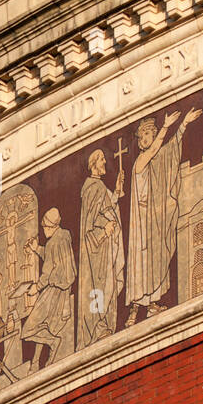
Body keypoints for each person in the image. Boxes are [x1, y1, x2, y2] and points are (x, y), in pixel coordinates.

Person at [126, 108, 201, 325]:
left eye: (152, 133)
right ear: (141, 140)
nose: (150, 138)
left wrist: (184, 124)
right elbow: (157, 149)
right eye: (147, 134)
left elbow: (169, 152)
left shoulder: (155, 160)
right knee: (143, 261)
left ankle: (151, 305)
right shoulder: (140, 161)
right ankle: (134, 310)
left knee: (156, 259)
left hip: (154, 220)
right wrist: (167, 126)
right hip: (142, 224)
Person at [78, 148, 125, 348]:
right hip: (96, 248)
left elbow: (106, 209)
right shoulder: (92, 187)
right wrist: (104, 230)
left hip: (105, 246)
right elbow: (90, 222)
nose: (105, 162)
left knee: (108, 283)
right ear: (94, 164)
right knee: (99, 285)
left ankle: (105, 324)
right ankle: (98, 326)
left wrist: (116, 191)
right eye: (102, 160)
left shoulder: (99, 187)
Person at [20, 208, 76, 370]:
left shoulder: (53, 242)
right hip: (64, 289)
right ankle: (36, 362)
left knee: (29, 328)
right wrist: (37, 249)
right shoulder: (64, 236)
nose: (43, 231)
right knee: (44, 325)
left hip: (53, 290)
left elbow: (48, 271)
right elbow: (54, 257)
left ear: (50, 227)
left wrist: (35, 288)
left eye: (44, 227)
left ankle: (53, 342)